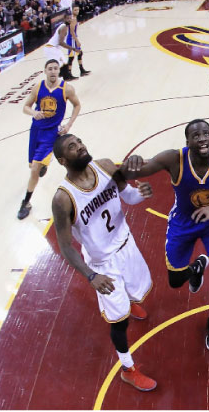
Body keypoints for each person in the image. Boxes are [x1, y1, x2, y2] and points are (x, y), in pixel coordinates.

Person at [118, 119, 209, 351]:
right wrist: (129, 164)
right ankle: (194, 269)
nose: (202, 138)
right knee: (175, 281)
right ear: (187, 141)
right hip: (183, 222)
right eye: (196, 135)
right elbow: (136, 170)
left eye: (206, 133)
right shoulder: (174, 159)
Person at [51, 133, 157, 392]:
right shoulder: (63, 199)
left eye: (79, 141)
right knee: (119, 322)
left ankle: (129, 302)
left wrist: (141, 194)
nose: (81, 146)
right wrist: (91, 277)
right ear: (63, 160)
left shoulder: (106, 166)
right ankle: (127, 369)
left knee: (137, 293)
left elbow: (129, 196)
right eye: (73, 147)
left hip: (126, 245)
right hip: (102, 264)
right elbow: (65, 246)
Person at [18, 59, 81, 220]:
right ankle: (44, 164)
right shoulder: (38, 87)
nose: (53, 71)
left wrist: (69, 125)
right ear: (45, 71)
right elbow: (25, 107)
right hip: (36, 131)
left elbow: (77, 105)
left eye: (55, 68)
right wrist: (34, 113)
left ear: (58, 71)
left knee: (34, 171)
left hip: (51, 133)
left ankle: (26, 202)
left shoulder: (66, 89)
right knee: (32, 165)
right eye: (50, 69)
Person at [44, 13, 79, 81]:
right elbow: (61, 43)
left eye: (70, 18)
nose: (69, 19)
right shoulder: (63, 27)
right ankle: (61, 78)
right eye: (68, 18)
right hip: (51, 48)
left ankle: (66, 77)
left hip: (54, 48)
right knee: (59, 64)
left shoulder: (65, 26)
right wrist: (73, 49)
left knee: (64, 62)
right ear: (64, 19)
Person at [66, 6, 90, 78]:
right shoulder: (73, 19)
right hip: (72, 39)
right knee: (71, 57)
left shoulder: (74, 18)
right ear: (72, 10)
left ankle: (81, 70)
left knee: (80, 53)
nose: (77, 11)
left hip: (73, 38)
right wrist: (77, 41)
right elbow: (72, 32)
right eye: (75, 10)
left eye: (78, 10)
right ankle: (68, 74)